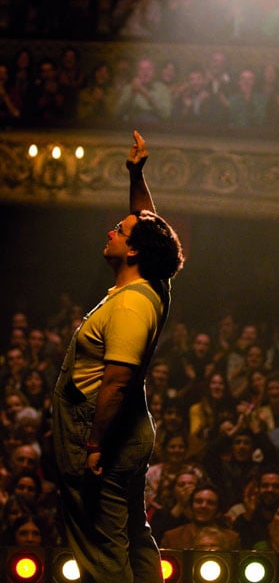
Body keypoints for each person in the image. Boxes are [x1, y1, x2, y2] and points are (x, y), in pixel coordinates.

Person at [52, 130, 184, 583]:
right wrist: (136, 174)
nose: (113, 229)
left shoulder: (130, 306)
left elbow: (117, 383)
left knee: (103, 549)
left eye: (120, 230)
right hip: (127, 433)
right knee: (133, 532)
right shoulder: (153, 284)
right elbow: (147, 223)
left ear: (132, 250)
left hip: (104, 433)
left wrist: (93, 447)